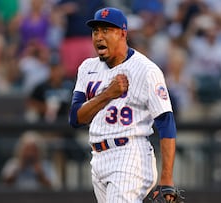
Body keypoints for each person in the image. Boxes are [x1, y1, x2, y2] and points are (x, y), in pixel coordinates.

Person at [69, 7, 178, 202]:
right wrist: (107, 95)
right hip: (98, 157)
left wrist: (167, 178)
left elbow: (166, 122)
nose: (99, 37)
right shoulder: (87, 68)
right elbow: (76, 118)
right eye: (96, 31)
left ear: (122, 33)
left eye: (106, 30)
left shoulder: (146, 70)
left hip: (130, 154)